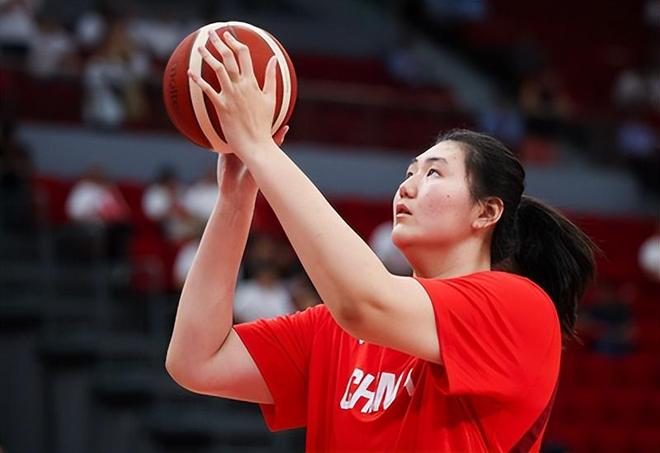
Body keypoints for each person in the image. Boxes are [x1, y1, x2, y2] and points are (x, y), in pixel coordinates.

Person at [166, 31, 597, 452]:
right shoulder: (336, 328)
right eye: (408, 173)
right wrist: (235, 199)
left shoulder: (519, 307)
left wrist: (262, 150)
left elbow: (363, 301)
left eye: (433, 173)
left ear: (486, 212)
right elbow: (197, 361)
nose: (406, 187)